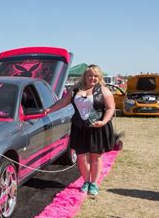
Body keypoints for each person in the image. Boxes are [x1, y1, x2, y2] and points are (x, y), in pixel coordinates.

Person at [47, 64, 115, 196]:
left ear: (99, 77)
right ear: (85, 76)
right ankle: (86, 181)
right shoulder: (75, 89)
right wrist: (50, 110)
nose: (92, 78)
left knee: (96, 156)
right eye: (90, 75)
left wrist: (103, 121)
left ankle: (93, 184)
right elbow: (63, 102)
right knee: (81, 157)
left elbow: (111, 108)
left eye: (95, 76)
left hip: (97, 127)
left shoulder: (104, 90)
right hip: (79, 127)